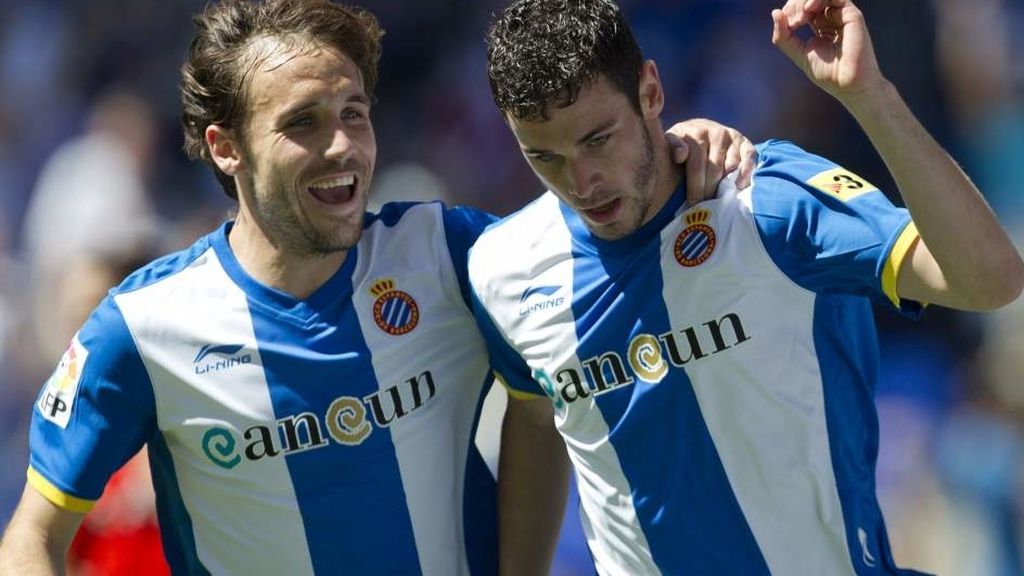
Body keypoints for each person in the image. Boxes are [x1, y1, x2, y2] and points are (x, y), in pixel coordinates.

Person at [0, 0, 756, 574]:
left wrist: (678, 144)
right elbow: (34, 534)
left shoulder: (451, 255)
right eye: (303, 123)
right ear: (225, 148)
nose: (343, 147)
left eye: (354, 114)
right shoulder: (143, 325)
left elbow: (543, 385)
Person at [469, 0, 1024, 574]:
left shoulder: (769, 202)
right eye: (544, 157)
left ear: (651, 93)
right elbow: (533, 415)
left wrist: (869, 96)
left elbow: (990, 280)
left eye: (598, 139)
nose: (581, 181)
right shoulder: (501, 268)